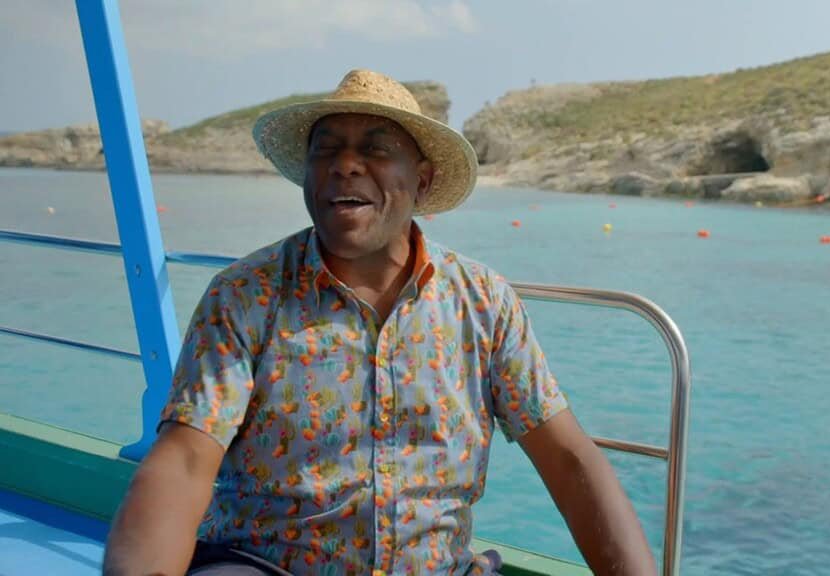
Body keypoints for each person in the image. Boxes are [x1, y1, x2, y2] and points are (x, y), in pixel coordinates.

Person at [102, 69, 655, 576]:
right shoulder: (246, 296)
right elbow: (186, 458)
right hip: (267, 566)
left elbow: (566, 458)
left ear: (422, 179)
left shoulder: (483, 303)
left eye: (375, 148)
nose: (346, 164)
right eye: (328, 150)